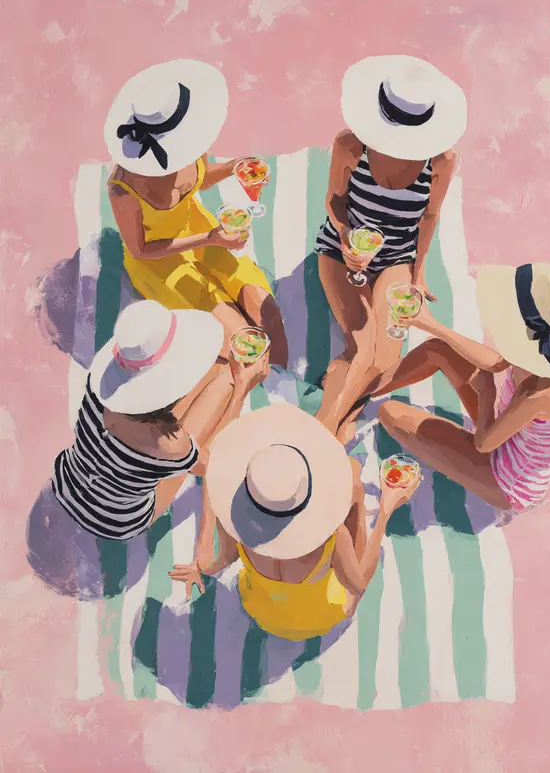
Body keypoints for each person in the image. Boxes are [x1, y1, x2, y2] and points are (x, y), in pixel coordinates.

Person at [168, 403, 422, 641]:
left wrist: (199, 567)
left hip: (262, 612)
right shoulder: (332, 536)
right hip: (321, 619)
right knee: (355, 484)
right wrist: (386, 509)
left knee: (351, 476)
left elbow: (221, 560)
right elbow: (359, 585)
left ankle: (349, 418)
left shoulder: (236, 526)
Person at [314, 55, 467, 437]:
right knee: (362, 347)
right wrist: (346, 236)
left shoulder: (440, 160)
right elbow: (334, 200)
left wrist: (418, 274)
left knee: (384, 359)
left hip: (396, 254)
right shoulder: (351, 145)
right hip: (343, 248)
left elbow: (429, 217)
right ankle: (325, 429)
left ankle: (338, 419)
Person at [104, 59, 288, 366]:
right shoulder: (124, 189)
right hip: (161, 261)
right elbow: (140, 249)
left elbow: (200, 178)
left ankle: (286, 383)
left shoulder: (188, 143)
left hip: (199, 230)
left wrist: (233, 167)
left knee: (270, 318)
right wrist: (209, 239)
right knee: (242, 342)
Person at [356, 263, 550, 515]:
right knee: (439, 348)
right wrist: (431, 325)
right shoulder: (541, 349)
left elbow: (484, 444)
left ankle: (362, 398)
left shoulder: (540, 392)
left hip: (507, 480)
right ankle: (364, 391)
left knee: (390, 413)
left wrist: (486, 392)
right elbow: (497, 363)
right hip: (505, 430)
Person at [51, 300, 269, 540]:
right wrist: (241, 390)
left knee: (212, 387)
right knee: (222, 386)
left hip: (66, 483)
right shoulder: (167, 444)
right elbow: (209, 463)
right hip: (118, 522)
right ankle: (231, 381)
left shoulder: (97, 386)